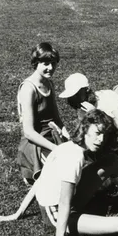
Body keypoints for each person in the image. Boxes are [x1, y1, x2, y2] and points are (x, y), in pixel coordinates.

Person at [17, 43, 69, 184]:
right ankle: (31, 169)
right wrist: (55, 149)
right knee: (62, 178)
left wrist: (68, 138)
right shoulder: (29, 88)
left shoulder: (49, 83)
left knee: (77, 164)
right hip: (35, 143)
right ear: (36, 63)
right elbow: (28, 132)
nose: (51, 68)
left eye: (54, 63)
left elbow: (56, 118)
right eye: (46, 64)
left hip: (53, 136)